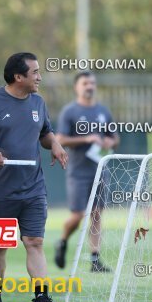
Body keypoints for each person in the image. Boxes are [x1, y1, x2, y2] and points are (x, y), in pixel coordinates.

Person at [0, 52, 68, 302]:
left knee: (35, 241)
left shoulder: (38, 102)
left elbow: (45, 133)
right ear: (18, 76)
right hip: (1, 192)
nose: (40, 77)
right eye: (35, 72)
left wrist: (56, 144)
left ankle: (41, 300)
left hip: (34, 189)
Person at [54, 71, 119, 272]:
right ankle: (63, 240)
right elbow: (60, 139)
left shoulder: (103, 111)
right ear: (77, 87)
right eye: (85, 83)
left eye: (92, 83)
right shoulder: (70, 111)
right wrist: (86, 138)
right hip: (78, 171)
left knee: (97, 214)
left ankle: (95, 259)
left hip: (100, 170)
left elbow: (114, 137)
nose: (89, 86)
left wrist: (110, 141)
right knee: (78, 215)